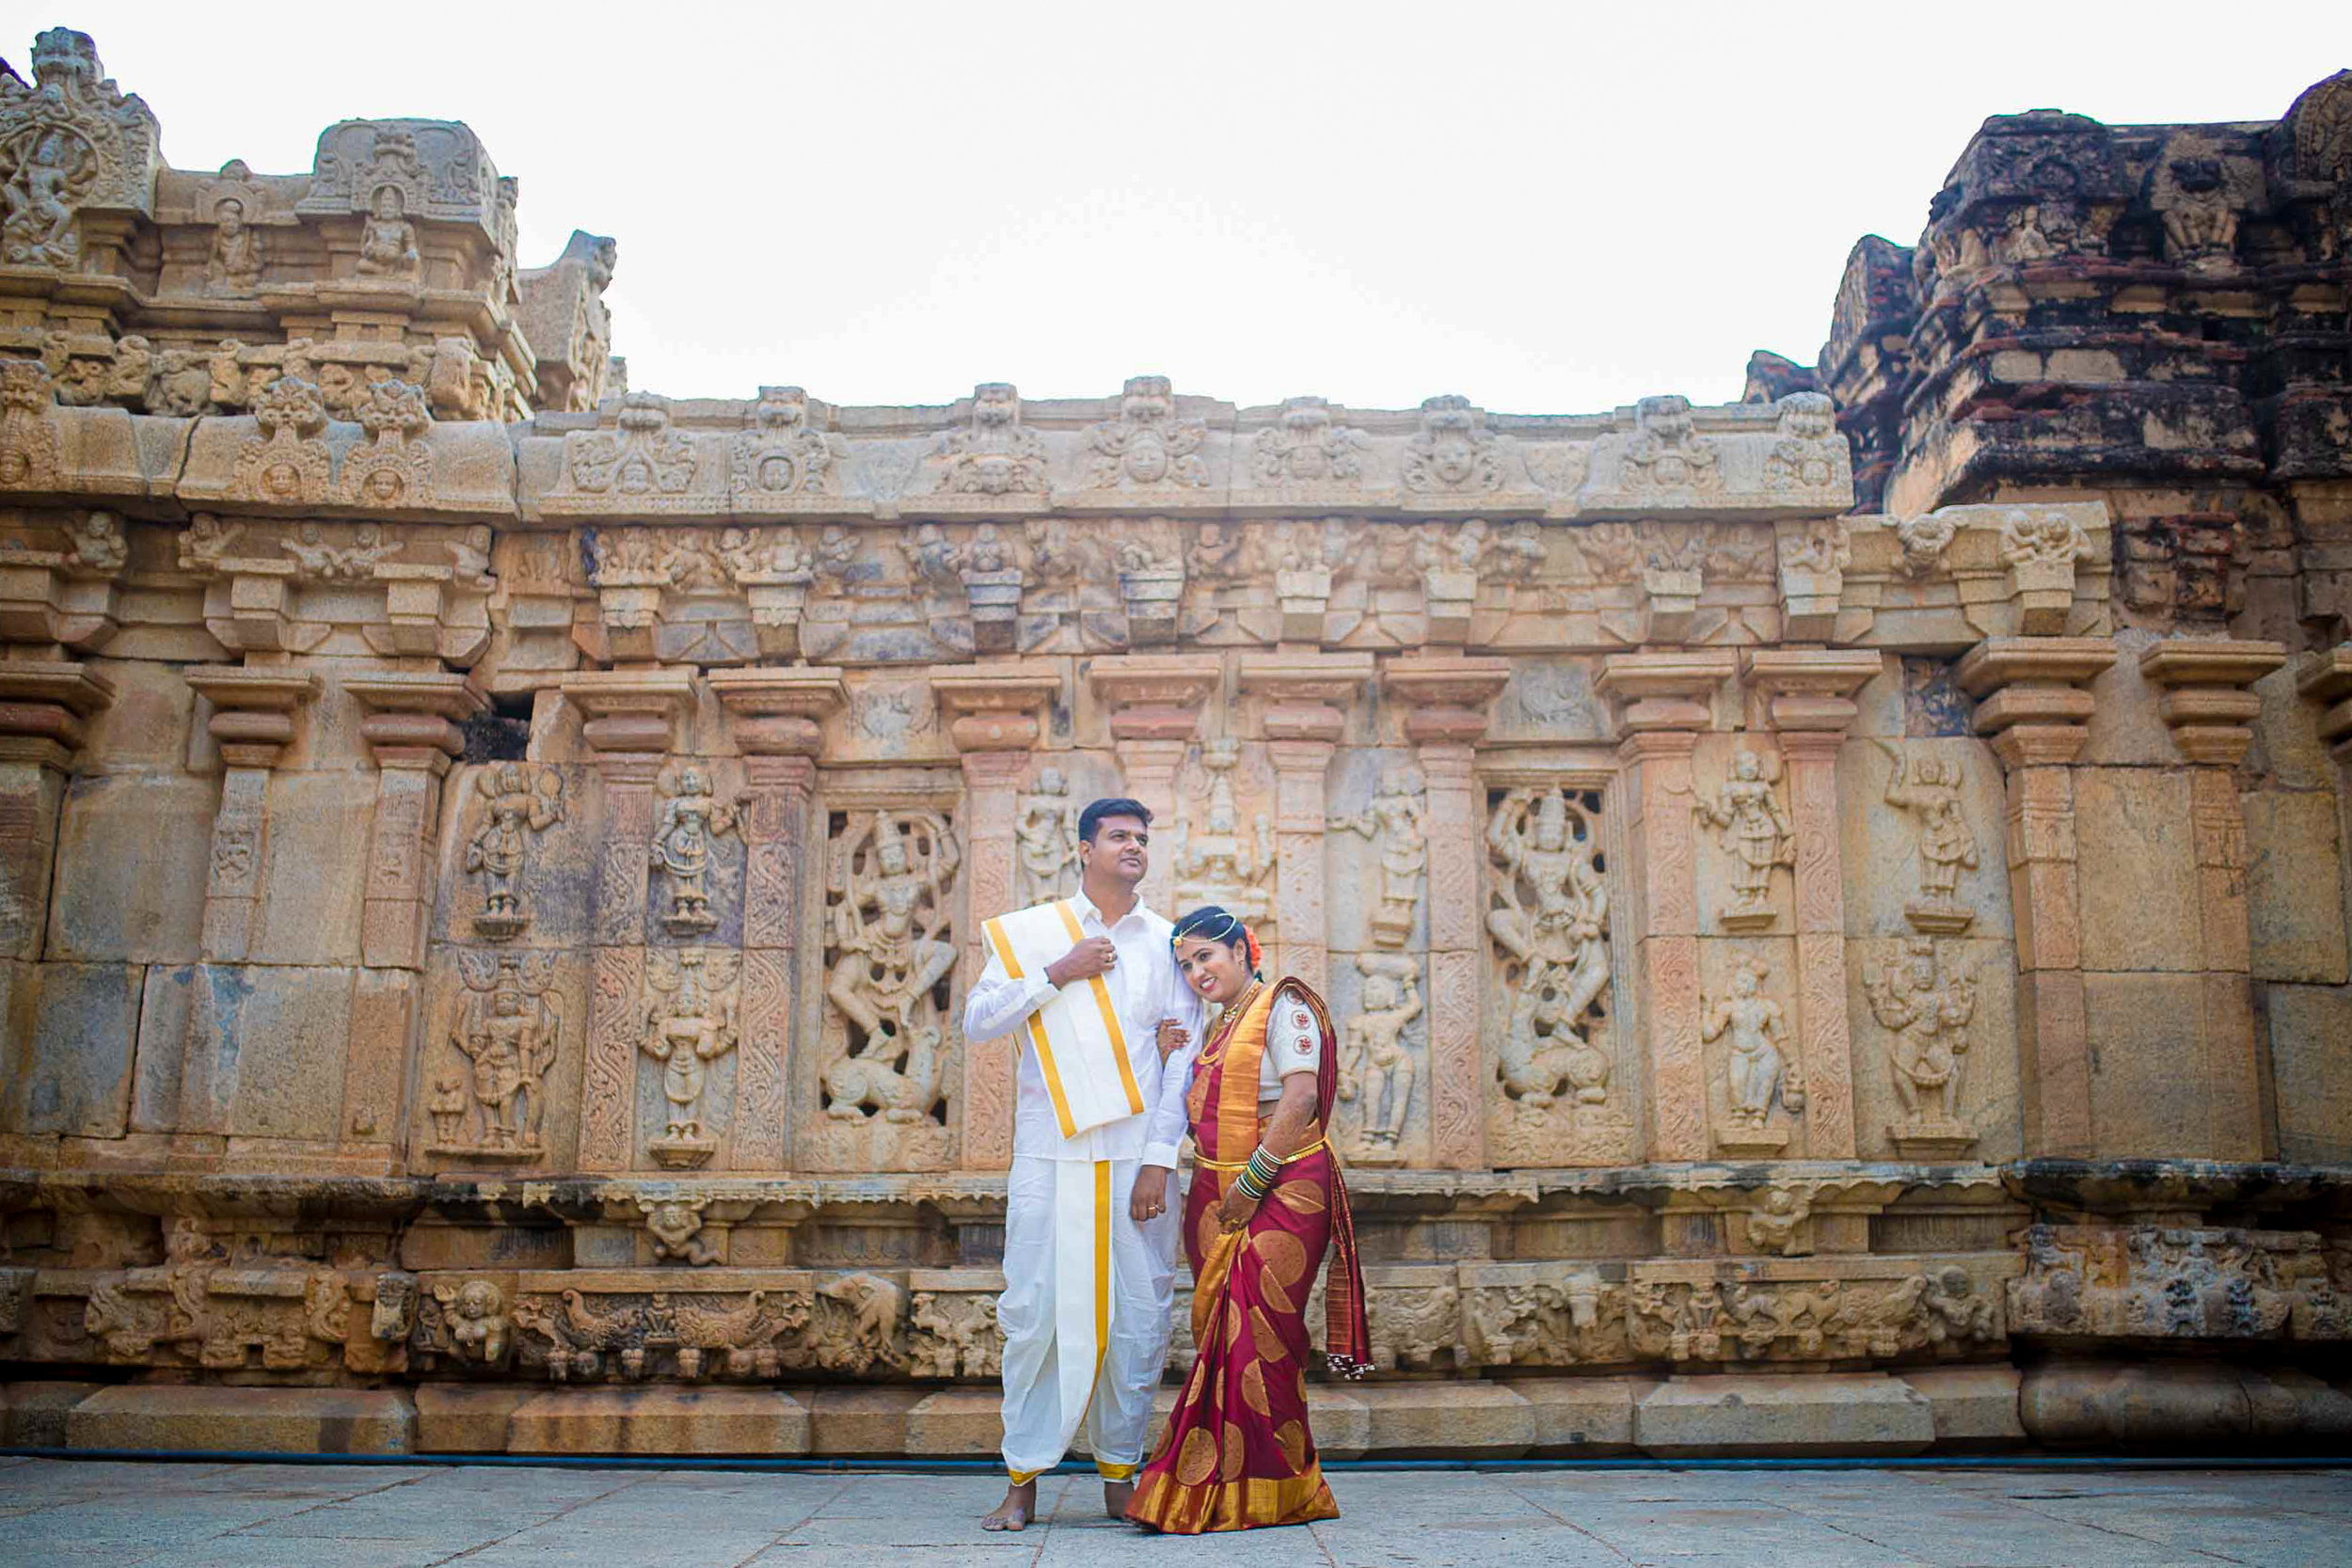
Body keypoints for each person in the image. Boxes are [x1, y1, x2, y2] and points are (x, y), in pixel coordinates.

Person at [961, 797, 1206, 1532]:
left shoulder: (1168, 943)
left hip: (1135, 1156)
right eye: (1119, 836)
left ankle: (1118, 1473)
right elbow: (978, 1022)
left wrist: (1160, 1162)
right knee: (1035, 1312)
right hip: (1051, 1150)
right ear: (1083, 849)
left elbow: (1179, 1064)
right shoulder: (1037, 934)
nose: (1133, 846)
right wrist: (1056, 972)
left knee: (1138, 1314)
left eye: (1141, 837)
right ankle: (1023, 1478)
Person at [1125, 905, 1373, 1534]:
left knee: (1262, 1337)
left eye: (1206, 955)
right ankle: (1237, 1484)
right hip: (1224, 1195)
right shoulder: (1212, 1029)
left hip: (1285, 1187)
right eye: (1186, 963)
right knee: (1226, 1337)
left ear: (1242, 950)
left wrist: (1251, 1183)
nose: (1197, 971)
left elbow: (1300, 1097)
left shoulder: (1284, 1008)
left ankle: (1273, 1487)